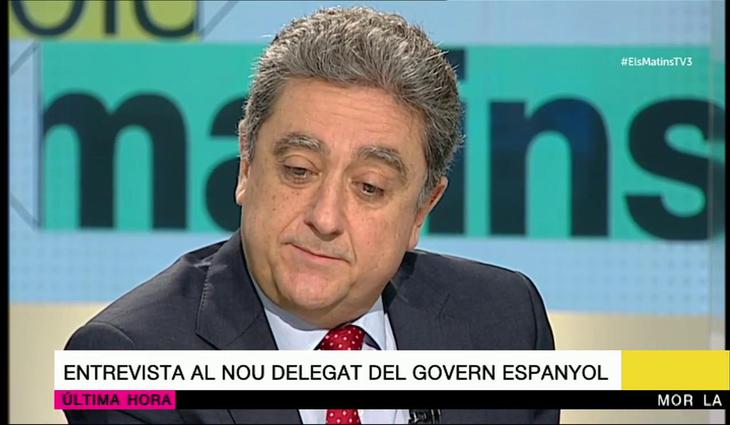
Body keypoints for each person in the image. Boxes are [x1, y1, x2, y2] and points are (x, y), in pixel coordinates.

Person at [64, 6, 558, 424]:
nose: (325, 218)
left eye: (370, 187)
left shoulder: (506, 324)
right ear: (247, 166)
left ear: (421, 210)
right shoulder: (126, 361)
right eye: (299, 170)